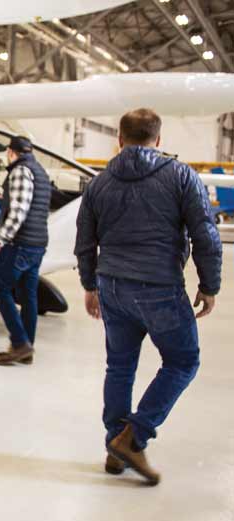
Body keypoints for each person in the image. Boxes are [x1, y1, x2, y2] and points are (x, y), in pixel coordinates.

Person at [74, 108, 222, 485]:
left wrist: (90, 285)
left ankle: (115, 445)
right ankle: (134, 436)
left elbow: (85, 241)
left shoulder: (99, 182)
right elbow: (205, 233)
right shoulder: (181, 176)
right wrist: (210, 285)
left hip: (112, 285)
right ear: (158, 140)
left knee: (119, 367)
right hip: (159, 287)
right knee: (183, 361)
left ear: (119, 140)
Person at [0, 136, 51, 365]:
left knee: (0, 288)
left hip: (19, 243)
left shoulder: (21, 171)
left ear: (12, 152)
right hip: (37, 242)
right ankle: (26, 347)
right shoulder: (39, 171)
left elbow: (19, 212)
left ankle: (20, 342)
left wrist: (0, 239)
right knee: (28, 294)